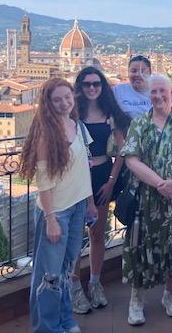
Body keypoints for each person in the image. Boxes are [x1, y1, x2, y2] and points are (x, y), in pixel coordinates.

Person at [120, 73, 172, 326]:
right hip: (147, 199)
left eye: (162, 91)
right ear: (149, 95)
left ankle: (169, 294)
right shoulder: (140, 124)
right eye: (153, 91)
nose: (157, 96)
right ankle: (137, 300)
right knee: (140, 246)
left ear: (171, 93)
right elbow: (130, 158)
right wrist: (159, 183)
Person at [19, 78, 97, 333]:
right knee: (48, 276)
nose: (64, 103)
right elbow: (44, 181)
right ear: (48, 103)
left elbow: (83, 170)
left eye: (67, 97)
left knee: (64, 269)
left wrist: (90, 203)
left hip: (76, 208)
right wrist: (51, 219)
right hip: (56, 212)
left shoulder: (76, 126)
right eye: (57, 99)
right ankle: (46, 328)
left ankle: (64, 320)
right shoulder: (46, 133)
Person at [68, 67, 131, 314]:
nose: (92, 88)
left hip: (103, 179)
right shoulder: (73, 114)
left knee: (97, 233)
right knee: (75, 236)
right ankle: (75, 287)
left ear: (103, 86)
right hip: (75, 180)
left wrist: (112, 182)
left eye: (96, 84)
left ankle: (95, 283)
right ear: (80, 87)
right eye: (87, 84)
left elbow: (121, 150)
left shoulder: (110, 114)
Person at [113, 54, 172, 119]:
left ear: (149, 72)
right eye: (133, 71)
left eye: (142, 71)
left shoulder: (164, 92)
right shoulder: (119, 91)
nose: (138, 74)